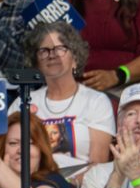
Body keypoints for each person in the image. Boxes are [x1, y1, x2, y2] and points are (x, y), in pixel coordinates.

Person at [22, 20, 114, 170]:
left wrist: (74, 183)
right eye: (44, 51)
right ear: (37, 63)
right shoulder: (24, 101)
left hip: (82, 186)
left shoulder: (96, 101)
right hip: (34, 185)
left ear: (75, 58)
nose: (52, 55)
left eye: (60, 48)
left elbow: (98, 165)